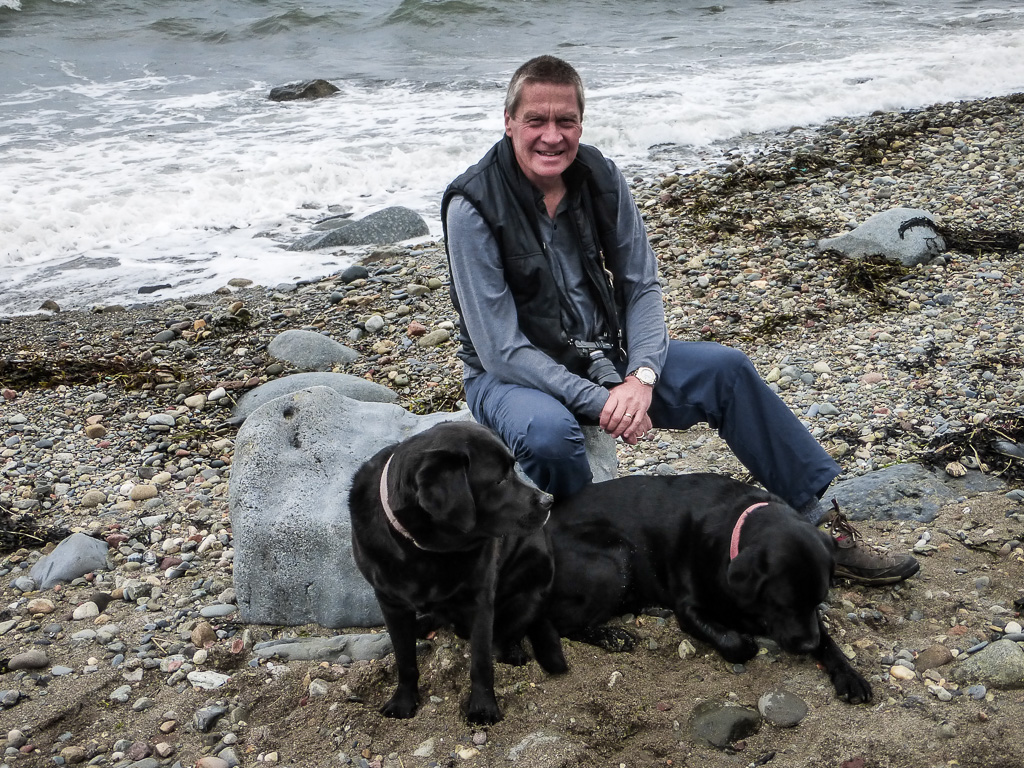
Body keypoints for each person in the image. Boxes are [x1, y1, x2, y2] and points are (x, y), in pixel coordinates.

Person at [441, 55, 918, 586]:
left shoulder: (599, 177)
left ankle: (820, 527)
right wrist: (607, 403)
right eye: (536, 120)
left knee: (727, 370)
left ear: (581, 122)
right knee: (551, 433)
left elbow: (641, 286)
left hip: (603, 353)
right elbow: (500, 349)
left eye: (566, 121)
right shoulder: (473, 207)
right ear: (509, 122)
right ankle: (578, 552)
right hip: (509, 377)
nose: (552, 136)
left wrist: (641, 377)